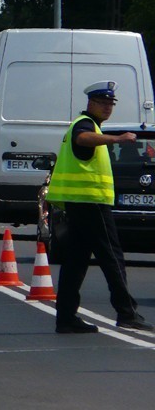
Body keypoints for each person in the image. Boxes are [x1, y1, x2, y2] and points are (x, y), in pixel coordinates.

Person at [46, 80, 153, 333]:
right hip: (91, 203)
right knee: (111, 257)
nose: (107, 107)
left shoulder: (88, 124)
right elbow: (82, 139)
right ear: (90, 103)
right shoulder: (84, 125)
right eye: (102, 103)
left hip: (81, 204)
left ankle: (66, 318)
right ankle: (126, 312)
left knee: (76, 261)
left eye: (110, 104)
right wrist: (116, 138)